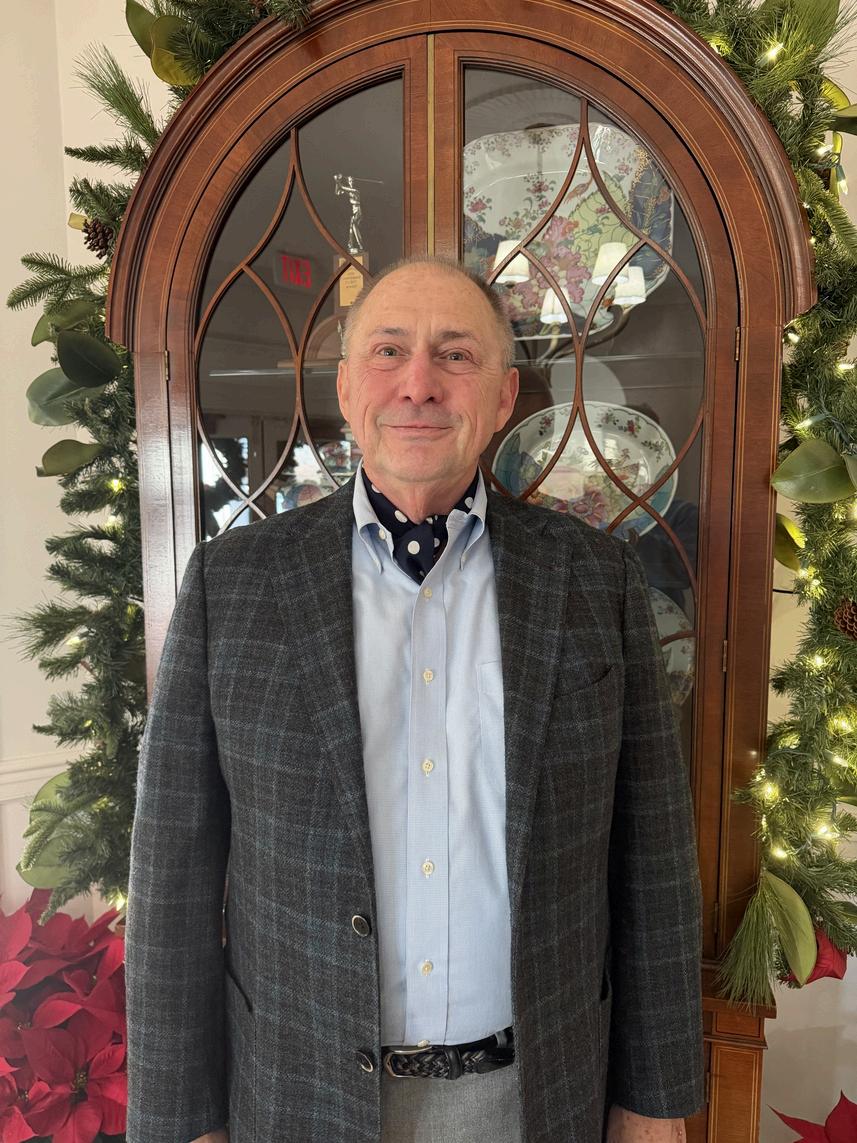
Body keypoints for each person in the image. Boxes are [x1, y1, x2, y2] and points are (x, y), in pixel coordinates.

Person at [125, 256, 705, 1143]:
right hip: (298, 1097)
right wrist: (179, 1122)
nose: (418, 384)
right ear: (347, 387)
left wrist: (656, 1102)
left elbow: (651, 856)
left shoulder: (597, 579)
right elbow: (173, 876)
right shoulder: (231, 583)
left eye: (455, 355)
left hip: (538, 1095)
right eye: (388, 351)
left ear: (502, 397)